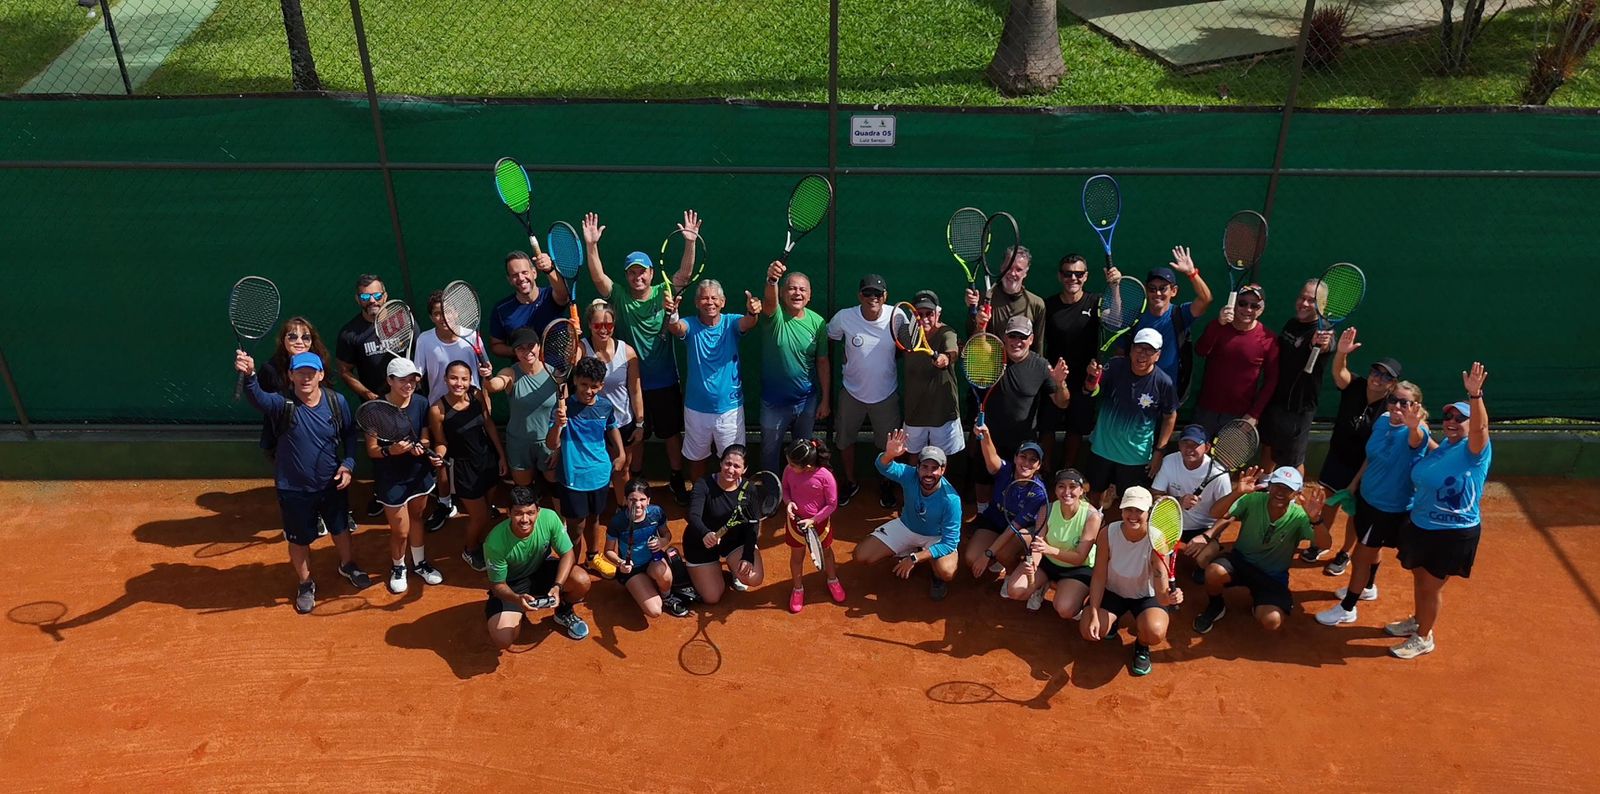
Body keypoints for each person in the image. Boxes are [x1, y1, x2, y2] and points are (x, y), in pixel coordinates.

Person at [236, 350, 370, 613]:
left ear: (320, 375)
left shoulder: (336, 402)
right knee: (298, 540)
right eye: (300, 373)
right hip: (293, 488)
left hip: (332, 482)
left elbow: (350, 436)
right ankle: (305, 583)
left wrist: (349, 464)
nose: (306, 377)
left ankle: (348, 565)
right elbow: (259, 399)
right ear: (290, 375)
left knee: (341, 529)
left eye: (311, 372)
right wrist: (250, 374)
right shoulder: (281, 404)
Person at [581, 211, 700, 503]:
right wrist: (592, 245)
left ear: (650, 273)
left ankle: (675, 479)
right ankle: (637, 482)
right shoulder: (619, 296)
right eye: (632, 272)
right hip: (631, 383)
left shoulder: (665, 291)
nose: (638, 276)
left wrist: (690, 242)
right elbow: (598, 278)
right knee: (637, 437)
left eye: (642, 271)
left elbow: (684, 274)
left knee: (671, 434)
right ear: (627, 276)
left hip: (665, 380)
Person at [1390, 363, 1491, 659]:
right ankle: (1418, 621)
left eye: (1461, 418)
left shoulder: (1476, 450)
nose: (1452, 421)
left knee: (1431, 587)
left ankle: (1423, 637)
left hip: (1452, 533)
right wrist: (1415, 428)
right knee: (1420, 580)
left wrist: (1475, 395)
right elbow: (1433, 455)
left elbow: (1480, 428)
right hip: (1422, 524)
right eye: (1448, 415)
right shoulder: (1448, 445)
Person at [1316, 379, 1430, 627]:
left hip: (1387, 508)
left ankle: (1348, 609)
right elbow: (1371, 459)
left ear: (1416, 406)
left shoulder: (1416, 432)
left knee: (1360, 556)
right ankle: (1367, 587)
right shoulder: (1382, 422)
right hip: (1367, 498)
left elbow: (1417, 440)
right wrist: (1354, 485)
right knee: (1371, 548)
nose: (1397, 406)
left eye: (1404, 402)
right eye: (1393, 400)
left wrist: (1414, 425)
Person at [1298, 329, 1400, 574]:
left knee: (1355, 513)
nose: (1379, 378)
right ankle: (1319, 543)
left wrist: (1356, 481)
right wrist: (1341, 353)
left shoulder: (1391, 408)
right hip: (1336, 459)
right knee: (1328, 504)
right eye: (1376, 372)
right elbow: (1338, 372)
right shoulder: (1355, 385)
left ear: (1392, 384)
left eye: (1386, 377)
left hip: (1364, 467)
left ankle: (1344, 552)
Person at [1189, 467, 1330, 633]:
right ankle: (1216, 605)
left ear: (1297, 493)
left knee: (1272, 621)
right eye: (1277, 485)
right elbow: (1215, 513)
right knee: (1214, 571)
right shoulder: (1253, 500)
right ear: (1269, 485)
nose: (1280, 492)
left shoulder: (1300, 516)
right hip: (1240, 561)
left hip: (1272, 576)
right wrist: (1237, 493)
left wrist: (1316, 520)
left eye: (1288, 489)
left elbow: (1325, 544)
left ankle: (1260, 603)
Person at [966, 313, 1070, 508]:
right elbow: (975, 347)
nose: (1017, 342)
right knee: (983, 480)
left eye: (1022, 337)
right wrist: (980, 326)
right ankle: (982, 514)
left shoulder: (1040, 366)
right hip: (989, 437)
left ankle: (1012, 517)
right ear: (1005, 337)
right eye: (1012, 336)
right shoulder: (991, 358)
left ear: (1031, 339)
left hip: (1022, 443)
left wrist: (1061, 383)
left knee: (1018, 484)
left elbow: (1062, 402)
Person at [1079, 486, 1184, 677]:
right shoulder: (1107, 533)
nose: (1133, 515)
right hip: (1113, 592)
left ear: (1148, 512)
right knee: (1088, 628)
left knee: (1154, 631)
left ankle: (1141, 646)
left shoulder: (1158, 541)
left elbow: (1161, 592)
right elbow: (1099, 575)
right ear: (1121, 510)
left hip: (1144, 596)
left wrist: (1169, 598)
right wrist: (1094, 612)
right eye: (1129, 509)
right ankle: (1113, 619)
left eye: (1139, 511)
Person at [665, 280, 761, 482]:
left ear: (723, 302)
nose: (709, 302)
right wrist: (672, 313)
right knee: (697, 459)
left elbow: (748, 322)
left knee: (733, 461)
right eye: (704, 298)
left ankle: (732, 503)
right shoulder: (690, 324)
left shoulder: (731, 322)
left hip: (729, 410)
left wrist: (753, 312)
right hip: (696, 410)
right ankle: (698, 500)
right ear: (697, 303)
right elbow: (676, 327)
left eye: (714, 298)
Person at [415, 291, 494, 533]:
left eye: (447, 311)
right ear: (431, 317)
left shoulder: (472, 336)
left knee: (480, 457)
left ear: (457, 313)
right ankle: (445, 503)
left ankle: (482, 502)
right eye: (437, 313)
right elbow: (418, 373)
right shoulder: (425, 340)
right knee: (443, 461)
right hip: (440, 409)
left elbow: (485, 369)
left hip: (473, 405)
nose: (443, 317)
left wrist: (488, 372)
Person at [852, 430, 962, 600]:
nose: (929, 474)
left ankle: (933, 571)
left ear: (943, 470)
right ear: (917, 467)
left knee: (946, 572)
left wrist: (915, 558)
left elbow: (949, 542)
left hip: (936, 537)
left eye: (934, 469)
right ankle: (908, 547)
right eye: (925, 467)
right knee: (861, 555)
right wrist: (888, 454)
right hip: (906, 526)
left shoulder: (951, 500)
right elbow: (883, 466)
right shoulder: (909, 474)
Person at [366, 358, 445, 595]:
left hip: (417, 473)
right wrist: (392, 450)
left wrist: (422, 447)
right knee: (400, 530)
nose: (408, 384)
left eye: (412, 380)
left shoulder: (421, 402)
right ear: (389, 381)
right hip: (391, 477)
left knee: (417, 518)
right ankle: (398, 566)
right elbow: (371, 450)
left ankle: (419, 563)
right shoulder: (375, 410)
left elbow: (425, 436)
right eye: (402, 380)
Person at [484, 486, 593, 648]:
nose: (525, 519)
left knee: (581, 580)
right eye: (518, 513)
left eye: (530, 513)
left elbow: (568, 554)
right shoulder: (494, 542)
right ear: (508, 513)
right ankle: (514, 610)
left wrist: (557, 586)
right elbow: (497, 585)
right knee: (503, 639)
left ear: (538, 511)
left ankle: (563, 611)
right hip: (512, 585)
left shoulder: (549, 518)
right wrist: (516, 599)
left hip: (540, 571)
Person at [546, 356, 625, 577]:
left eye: (594, 386)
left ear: (601, 385)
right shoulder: (564, 407)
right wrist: (559, 426)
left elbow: (612, 427)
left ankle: (592, 558)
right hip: (573, 477)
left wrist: (620, 453)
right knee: (576, 527)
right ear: (576, 382)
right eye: (583, 385)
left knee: (595, 519)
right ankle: (569, 567)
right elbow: (551, 444)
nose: (588, 390)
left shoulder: (605, 406)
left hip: (599, 475)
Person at [1083, 328, 1178, 509]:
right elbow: (1091, 390)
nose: (1142, 354)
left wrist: (1159, 451)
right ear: (1131, 349)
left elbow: (1170, 416)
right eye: (1139, 348)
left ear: (1158, 355)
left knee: (1131, 503)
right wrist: (1091, 379)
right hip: (1102, 448)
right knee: (1094, 493)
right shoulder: (1114, 366)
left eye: (1149, 350)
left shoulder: (1164, 383)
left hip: (1135, 457)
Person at [827, 274, 900, 508]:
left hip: (886, 394)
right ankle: (850, 481)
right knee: (845, 441)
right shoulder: (844, 318)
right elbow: (830, 337)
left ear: (885, 296)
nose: (872, 298)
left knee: (887, 445)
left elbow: (907, 346)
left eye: (877, 294)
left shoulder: (897, 316)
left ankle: (886, 484)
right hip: (851, 393)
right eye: (867, 293)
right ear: (860, 295)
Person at [428, 361, 507, 572]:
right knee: (479, 515)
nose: (459, 383)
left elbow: (488, 424)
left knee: (486, 513)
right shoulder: (437, 409)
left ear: (470, 380)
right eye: (453, 378)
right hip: (464, 469)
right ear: (445, 379)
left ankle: (481, 542)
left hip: (488, 461)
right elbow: (441, 442)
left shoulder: (477, 395)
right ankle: (470, 549)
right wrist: (438, 456)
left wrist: (501, 456)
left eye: (464, 378)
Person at [1040, 254, 1114, 469]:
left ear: (1086, 276)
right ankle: (1043, 472)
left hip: (1086, 379)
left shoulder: (1096, 302)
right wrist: (1048, 372)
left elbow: (1117, 319)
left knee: (1076, 429)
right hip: (1053, 378)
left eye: (1078, 274)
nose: (1073, 278)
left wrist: (1115, 286)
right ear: (1059, 276)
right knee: (1046, 428)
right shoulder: (1048, 306)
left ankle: (1068, 472)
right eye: (1067, 273)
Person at [759, 261, 830, 475]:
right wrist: (772, 279)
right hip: (774, 403)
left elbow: (823, 362)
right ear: (782, 293)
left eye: (802, 289)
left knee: (804, 452)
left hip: (806, 401)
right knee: (769, 452)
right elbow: (769, 301)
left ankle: (800, 491)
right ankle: (771, 490)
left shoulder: (818, 323)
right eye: (791, 288)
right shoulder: (774, 316)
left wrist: (825, 400)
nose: (797, 293)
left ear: (809, 296)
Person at [1257, 279, 1335, 473]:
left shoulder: (1323, 332)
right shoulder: (1292, 324)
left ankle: (1294, 496)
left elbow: (1325, 345)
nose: (1305, 303)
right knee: (1268, 446)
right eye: (1302, 297)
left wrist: (1321, 343)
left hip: (1298, 408)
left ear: (1323, 306)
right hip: (1276, 400)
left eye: (1312, 300)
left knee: (1292, 461)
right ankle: (1264, 486)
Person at [1004, 468, 1101, 618]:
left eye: (1073, 487)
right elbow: (1038, 544)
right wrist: (1033, 564)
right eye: (1061, 486)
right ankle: (1042, 585)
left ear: (1082, 491)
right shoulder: (1046, 510)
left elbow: (1079, 557)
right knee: (1016, 590)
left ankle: (1064, 590)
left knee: (1065, 609)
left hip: (1077, 568)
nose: (1067, 491)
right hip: (1047, 563)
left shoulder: (1092, 516)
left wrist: (1049, 550)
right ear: (1055, 490)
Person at [334, 274, 392, 518]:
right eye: (366, 296)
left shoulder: (400, 321)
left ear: (385, 295)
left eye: (377, 295)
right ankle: (381, 494)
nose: (373, 300)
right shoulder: (350, 332)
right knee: (380, 451)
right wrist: (367, 393)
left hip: (405, 399)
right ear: (358, 299)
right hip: (373, 404)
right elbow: (344, 371)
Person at [1120, 248, 1213, 395]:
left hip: (1168, 392)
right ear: (1146, 290)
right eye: (1152, 289)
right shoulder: (1135, 317)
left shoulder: (1181, 314)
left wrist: (1191, 273)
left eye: (1163, 288)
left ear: (1173, 291)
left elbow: (1206, 299)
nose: (1157, 293)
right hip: (1134, 391)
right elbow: (1121, 352)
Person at [682, 445, 766, 604]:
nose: (731, 469)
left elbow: (753, 526)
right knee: (712, 597)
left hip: (734, 542)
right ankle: (699, 571)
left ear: (744, 469)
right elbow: (693, 515)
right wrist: (705, 533)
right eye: (727, 463)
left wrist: (747, 556)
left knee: (754, 578)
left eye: (737, 466)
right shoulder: (703, 484)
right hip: (701, 543)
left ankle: (734, 568)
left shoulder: (750, 489)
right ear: (720, 463)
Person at [1191, 283, 1279, 436]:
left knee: (1226, 461)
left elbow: (1272, 381)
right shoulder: (1218, 326)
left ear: (1262, 309)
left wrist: (1254, 414)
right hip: (1205, 411)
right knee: (1198, 460)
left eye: (1254, 306)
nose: (1248, 309)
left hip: (1239, 417)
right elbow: (1200, 350)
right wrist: (1218, 324)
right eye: (1243, 303)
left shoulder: (1269, 339)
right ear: (1234, 304)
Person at [962, 428, 1048, 582]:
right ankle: (997, 558)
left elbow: (1013, 527)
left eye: (1033, 460)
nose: (1027, 463)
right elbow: (991, 456)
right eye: (1023, 457)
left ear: (1039, 465)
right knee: (971, 558)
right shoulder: (1005, 470)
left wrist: (988, 553)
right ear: (1015, 458)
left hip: (1019, 530)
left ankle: (1011, 572)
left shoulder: (1038, 492)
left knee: (1004, 553)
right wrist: (986, 435)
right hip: (995, 522)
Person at [580, 299, 643, 509]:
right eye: (598, 325)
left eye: (608, 325)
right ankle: (593, 511)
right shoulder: (581, 349)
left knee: (622, 468)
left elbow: (635, 390)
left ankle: (622, 508)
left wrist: (640, 423)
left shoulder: (628, 352)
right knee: (593, 468)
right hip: (591, 424)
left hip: (622, 420)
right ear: (589, 325)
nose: (603, 330)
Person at [485, 327, 559, 495]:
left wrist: (558, 447)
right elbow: (493, 385)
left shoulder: (555, 374)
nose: (526, 351)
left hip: (549, 443)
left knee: (554, 485)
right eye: (520, 348)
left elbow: (563, 411)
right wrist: (488, 376)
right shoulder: (511, 373)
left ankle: (560, 522)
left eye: (530, 345)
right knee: (524, 491)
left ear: (539, 346)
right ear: (515, 352)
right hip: (518, 443)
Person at [605, 479, 691, 619]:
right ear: (626, 500)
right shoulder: (617, 522)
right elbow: (608, 551)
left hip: (653, 561)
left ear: (648, 500)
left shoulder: (656, 513)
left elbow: (666, 535)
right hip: (632, 570)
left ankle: (667, 596)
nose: (638, 504)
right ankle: (641, 584)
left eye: (642, 499)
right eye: (633, 499)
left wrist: (662, 541)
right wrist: (621, 563)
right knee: (655, 611)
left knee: (663, 574)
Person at [780, 439, 845, 613]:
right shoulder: (789, 470)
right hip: (796, 525)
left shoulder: (825, 476)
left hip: (819, 525)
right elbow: (785, 489)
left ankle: (832, 580)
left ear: (808, 466)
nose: (789, 467)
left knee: (827, 554)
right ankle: (798, 589)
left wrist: (814, 520)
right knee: (797, 557)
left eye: (793, 465)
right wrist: (788, 503)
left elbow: (832, 504)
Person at [900, 290, 964, 459]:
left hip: (943, 413)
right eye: (919, 314)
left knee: (941, 461)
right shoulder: (905, 334)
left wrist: (945, 358)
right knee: (912, 459)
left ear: (938, 313)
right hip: (914, 412)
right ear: (913, 315)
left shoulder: (947, 333)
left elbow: (953, 351)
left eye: (930, 313)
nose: (925, 318)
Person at [1152, 424, 1235, 547]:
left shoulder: (1219, 475)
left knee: (1204, 558)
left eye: (1195, 444)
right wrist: (1179, 501)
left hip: (1203, 529)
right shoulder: (1169, 461)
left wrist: (1206, 536)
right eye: (1185, 443)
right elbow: (1155, 494)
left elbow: (1228, 516)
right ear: (1179, 445)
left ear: (1206, 448)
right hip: (1171, 523)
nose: (1189, 448)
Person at [487, 250, 568, 359]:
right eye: (515, 275)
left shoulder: (551, 295)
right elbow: (496, 345)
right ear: (510, 280)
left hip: (560, 367)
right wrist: (521, 350)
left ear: (534, 273)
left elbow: (564, 294)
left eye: (525, 272)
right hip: (525, 372)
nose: (521, 278)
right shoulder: (501, 310)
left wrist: (549, 269)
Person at [964, 245, 1046, 351]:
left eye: (1018, 269)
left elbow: (1038, 346)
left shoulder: (1037, 304)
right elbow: (971, 339)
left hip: (1022, 367)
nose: (1012, 273)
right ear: (1002, 267)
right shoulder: (983, 299)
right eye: (1009, 267)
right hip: (989, 365)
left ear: (1026, 272)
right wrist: (974, 312)